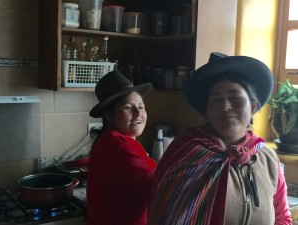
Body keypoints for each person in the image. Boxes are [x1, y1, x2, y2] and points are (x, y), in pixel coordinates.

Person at [148, 52, 292, 225]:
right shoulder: (187, 153)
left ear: (252, 106)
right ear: (206, 110)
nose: (226, 106)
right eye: (216, 100)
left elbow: (282, 218)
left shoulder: (267, 159)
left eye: (235, 98)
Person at [86, 71, 157, 225]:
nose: (138, 113)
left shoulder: (107, 139)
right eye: (128, 107)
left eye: (141, 106)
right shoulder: (122, 146)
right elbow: (163, 182)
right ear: (109, 115)